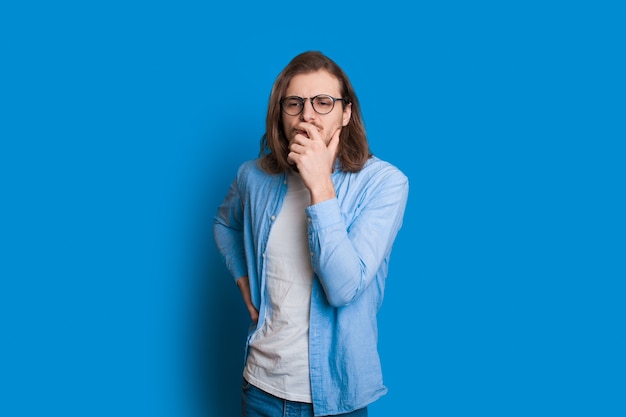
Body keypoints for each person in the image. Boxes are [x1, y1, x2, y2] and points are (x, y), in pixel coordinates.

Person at [213, 51, 409, 417]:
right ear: (280, 113)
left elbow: (342, 288)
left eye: (323, 102)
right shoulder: (253, 177)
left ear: (346, 113)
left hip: (335, 399)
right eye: (295, 103)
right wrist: (243, 279)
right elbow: (225, 224)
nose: (307, 114)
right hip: (259, 390)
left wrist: (320, 186)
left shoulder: (384, 184)